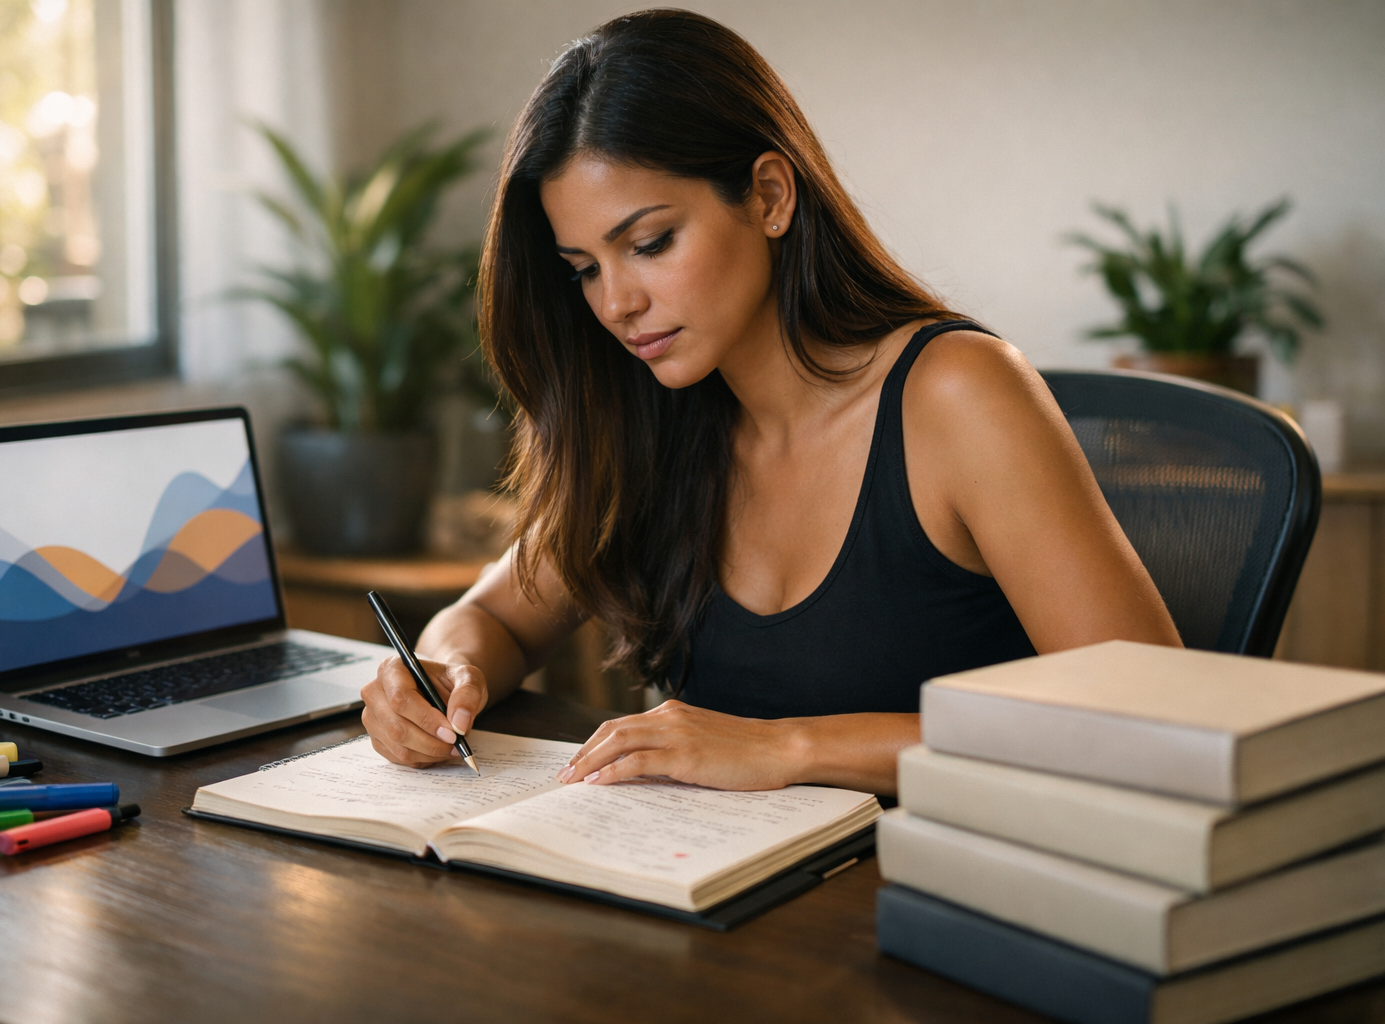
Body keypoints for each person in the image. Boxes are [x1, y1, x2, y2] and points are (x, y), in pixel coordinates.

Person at [360, 9, 1181, 795]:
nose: (616, 304)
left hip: (948, 897)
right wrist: (445, 676)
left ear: (769, 196)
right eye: (584, 268)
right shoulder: (652, 418)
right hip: (724, 903)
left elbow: (1149, 713)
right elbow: (489, 621)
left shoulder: (957, 392)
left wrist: (786, 746)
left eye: (649, 245)